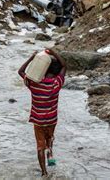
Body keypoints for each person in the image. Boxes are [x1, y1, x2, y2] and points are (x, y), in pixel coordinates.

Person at [18, 49, 67, 177]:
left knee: (40, 145)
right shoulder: (57, 83)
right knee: (50, 137)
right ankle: (50, 153)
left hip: (38, 120)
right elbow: (64, 65)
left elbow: (20, 71)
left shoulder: (35, 83)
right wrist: (54, 52)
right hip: (51, 119)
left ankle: (44, 172)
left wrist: (32, 58)